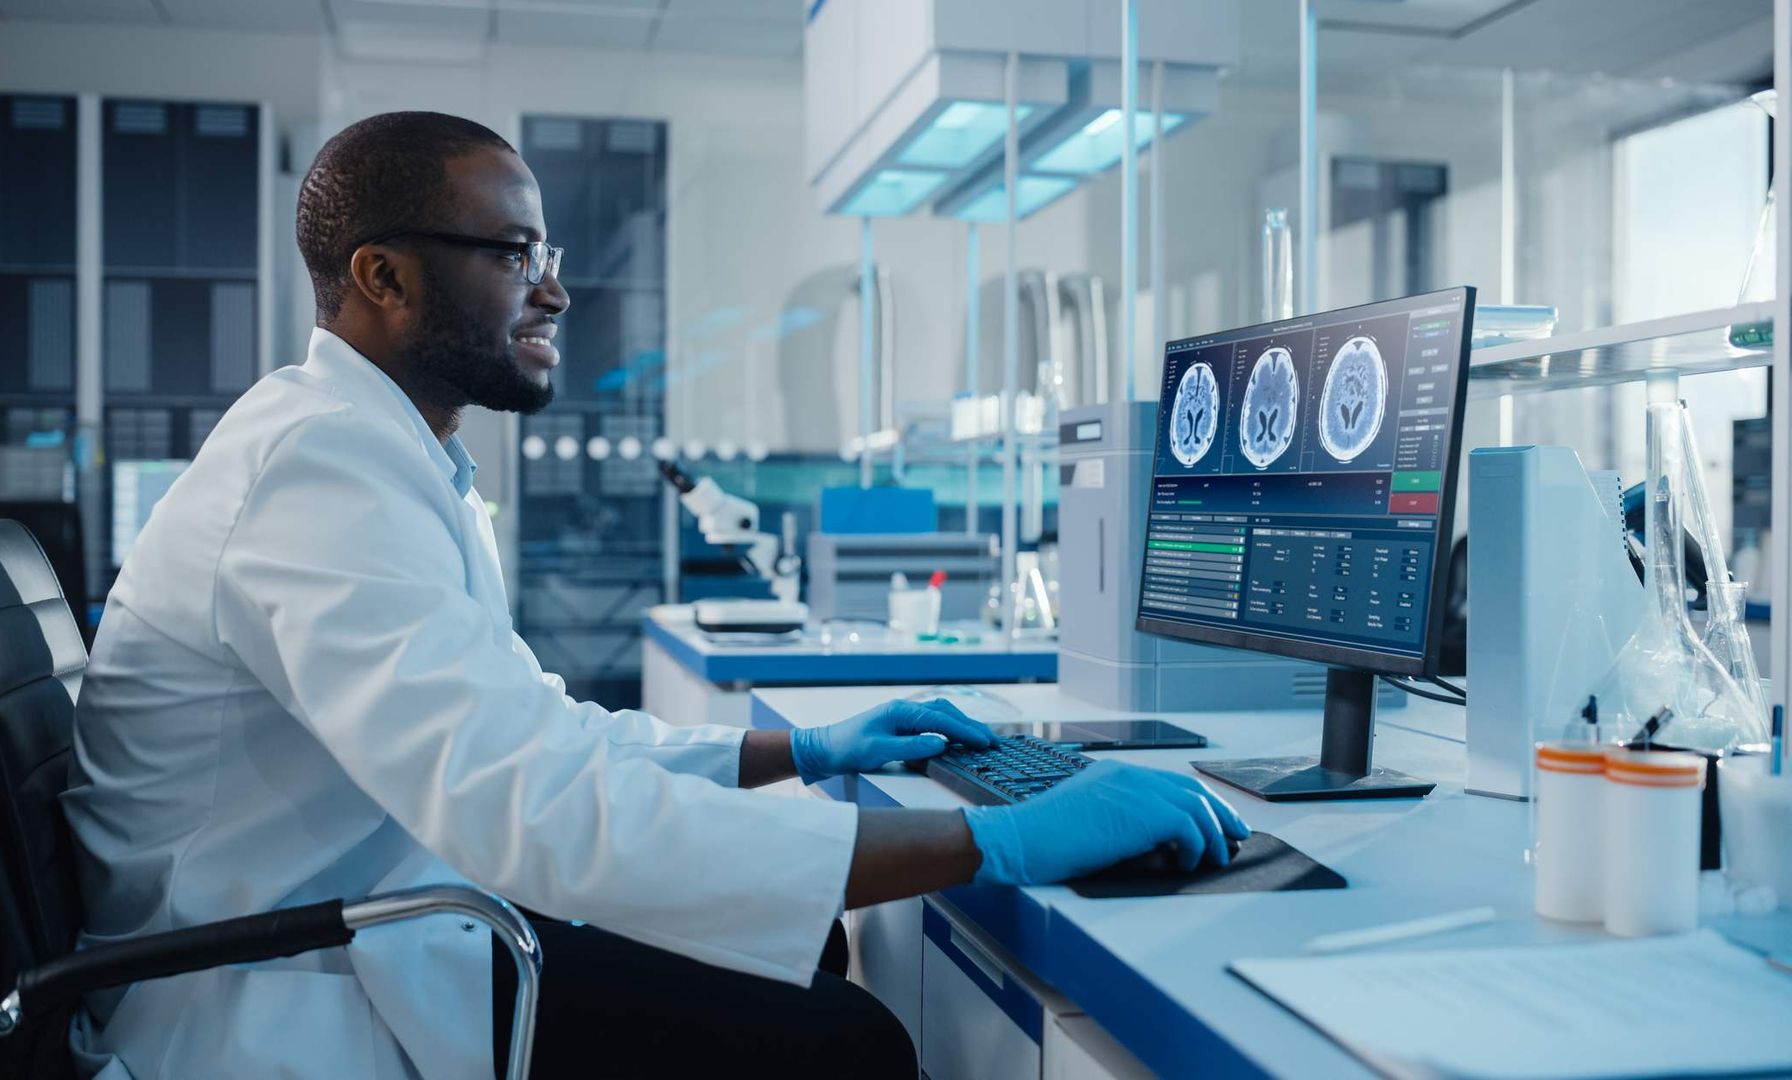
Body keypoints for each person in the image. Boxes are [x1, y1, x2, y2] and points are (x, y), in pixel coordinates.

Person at [62, 111, 1248, 1079]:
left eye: (548, 256)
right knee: (845, 1049)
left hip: (383, 924)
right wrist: (990, 840)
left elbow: (541, 739)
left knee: (809, 952)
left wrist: (796, 752)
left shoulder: (383, 454)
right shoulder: (317, 468)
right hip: (273, 997)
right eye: (515, 254)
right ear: (383, 276)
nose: (554, 292)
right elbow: (531, 808)